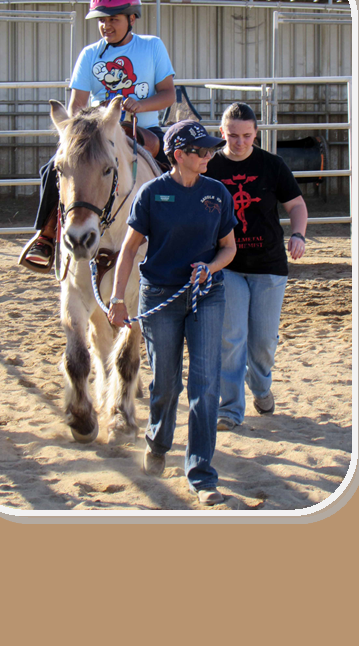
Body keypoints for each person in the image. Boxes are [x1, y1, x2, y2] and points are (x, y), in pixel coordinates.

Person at [107, 120, 236, 506]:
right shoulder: (150, 195)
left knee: (204, 384)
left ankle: (201, 474)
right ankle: (159, 440)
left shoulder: (217, 194)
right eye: (202, 151)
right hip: (160, 294)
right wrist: (116, 298)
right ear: (179, 155)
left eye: (211, 149)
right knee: (165, 382)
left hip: (205, 295)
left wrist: (209, 268)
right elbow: (129, 251)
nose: (210, 155)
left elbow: (228, 249)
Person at [19, 0, 176, 273]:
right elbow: (77, 103)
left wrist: (140, 105)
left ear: (132, 19)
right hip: (98, 134)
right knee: (55, 167)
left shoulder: (152, 47)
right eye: (101, 20)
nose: (106, 26)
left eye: (113, 19)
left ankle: (179, 236)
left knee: (175, 161)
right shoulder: (90, 54)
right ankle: (47, 234)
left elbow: (169, 94)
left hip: (142, 127)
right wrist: (75, 138)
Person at [205, 103, 308, 430]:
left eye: (246, 136)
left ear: (256, 133)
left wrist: (299, 234)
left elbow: (296, 205)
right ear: (222, 133)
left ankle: (261, 388)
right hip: (227, 264)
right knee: (231, 337)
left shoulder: (272, 165)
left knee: (263, 341)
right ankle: (230, 409)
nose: (239, 142)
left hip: (269, 265)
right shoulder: (209, 166)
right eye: (232, 136)